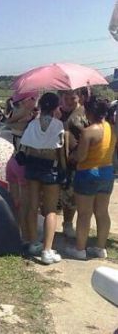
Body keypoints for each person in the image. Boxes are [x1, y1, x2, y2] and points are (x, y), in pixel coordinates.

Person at [65, 97, 117, 260]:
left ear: (89, 112)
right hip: (107, 173)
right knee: (102, 212)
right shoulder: (111, 128)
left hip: (87, 174)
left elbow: (80, 157)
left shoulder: (88, 132)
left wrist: (71, 154)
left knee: (84, 214)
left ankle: (80, 249)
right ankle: (100, 248)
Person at [20, 92, 66, 265]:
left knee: (32, 206)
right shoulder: (58, 124)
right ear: (56, 107)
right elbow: (61, 150)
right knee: (50, 210)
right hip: (50, 167)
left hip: (32, 166)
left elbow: (26, 146)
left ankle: (33, 243)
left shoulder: (32, 124)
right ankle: (47, 250)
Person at [4, 92, 38, 246]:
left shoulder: (13, 115)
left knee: (14, 202)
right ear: (25, 101)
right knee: (25, 205)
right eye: (33, 99)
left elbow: (8, 123)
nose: (36, 101)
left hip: (12, 161)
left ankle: (13, 231)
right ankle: (25, 237)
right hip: (23, 163)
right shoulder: (29, 120)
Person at [58, 89, 89, 238]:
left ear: (79, 97)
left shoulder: (85, 113)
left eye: (73, 98)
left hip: (76, 162)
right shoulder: (57, 112)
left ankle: (68, 223)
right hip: (57, 160)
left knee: (71, 197)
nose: (69, 101)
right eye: (66, 98)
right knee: (56, 196)